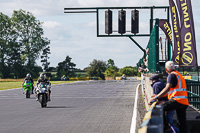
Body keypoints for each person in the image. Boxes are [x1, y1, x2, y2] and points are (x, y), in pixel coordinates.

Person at [149, 61, 189, 133]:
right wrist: (160, 95)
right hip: (184, 102)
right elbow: (172, 91)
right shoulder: (178, 75)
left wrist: (156, 97)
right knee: (182, 123)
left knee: (161, 107)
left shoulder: (171, 75)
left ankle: (167, 127)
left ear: (166, 69)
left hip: (177, 100)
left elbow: (167, 88)